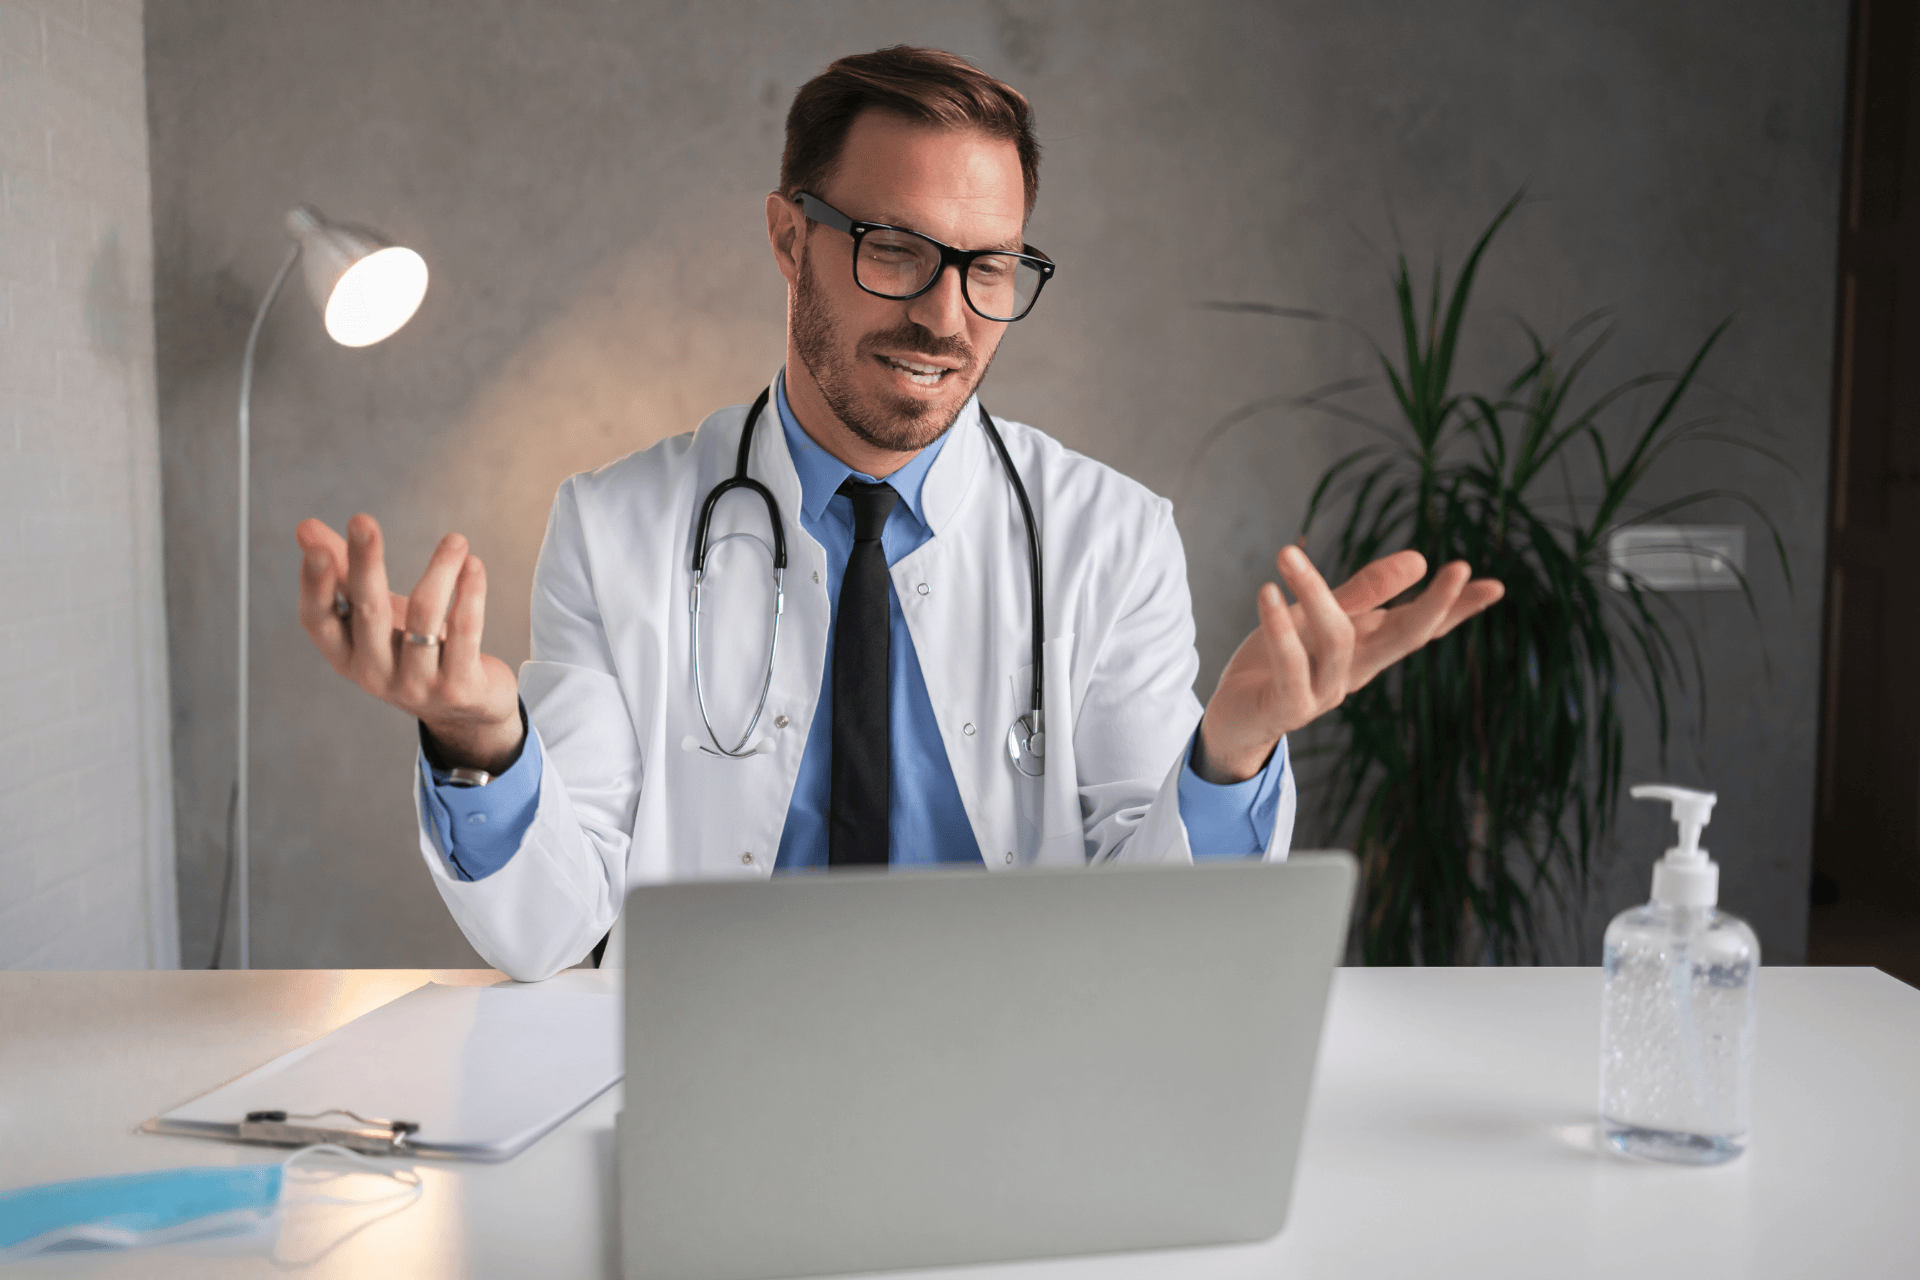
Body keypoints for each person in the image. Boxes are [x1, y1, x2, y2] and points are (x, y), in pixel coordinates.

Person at [293, 47, 1503, 982]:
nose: (946, 314)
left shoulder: (1111, 537)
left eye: (989, 266)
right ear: (789, 238)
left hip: (1015, 1074)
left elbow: (1157, 934)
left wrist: (1228, 750)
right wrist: (479, 739)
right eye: (895, 249)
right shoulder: (617, 527)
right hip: (722, 1072)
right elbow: (555, 926)